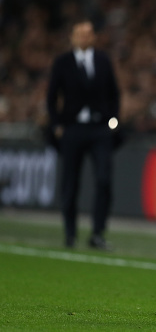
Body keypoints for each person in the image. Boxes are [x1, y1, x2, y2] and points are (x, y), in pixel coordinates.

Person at [46, 20, 121, 250]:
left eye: (88, 33)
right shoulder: (63, 62)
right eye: (80, 34)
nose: (84, 38)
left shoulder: (102, 60)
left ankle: (97, 233)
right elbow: (51, 95)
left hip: (99, 129)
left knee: (104, 179)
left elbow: (114, 93)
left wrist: (113, 120)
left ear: (93, 37)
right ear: (72, 37)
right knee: (70, 182)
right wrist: (57, 124)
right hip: (73, 129)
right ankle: (70, 233)